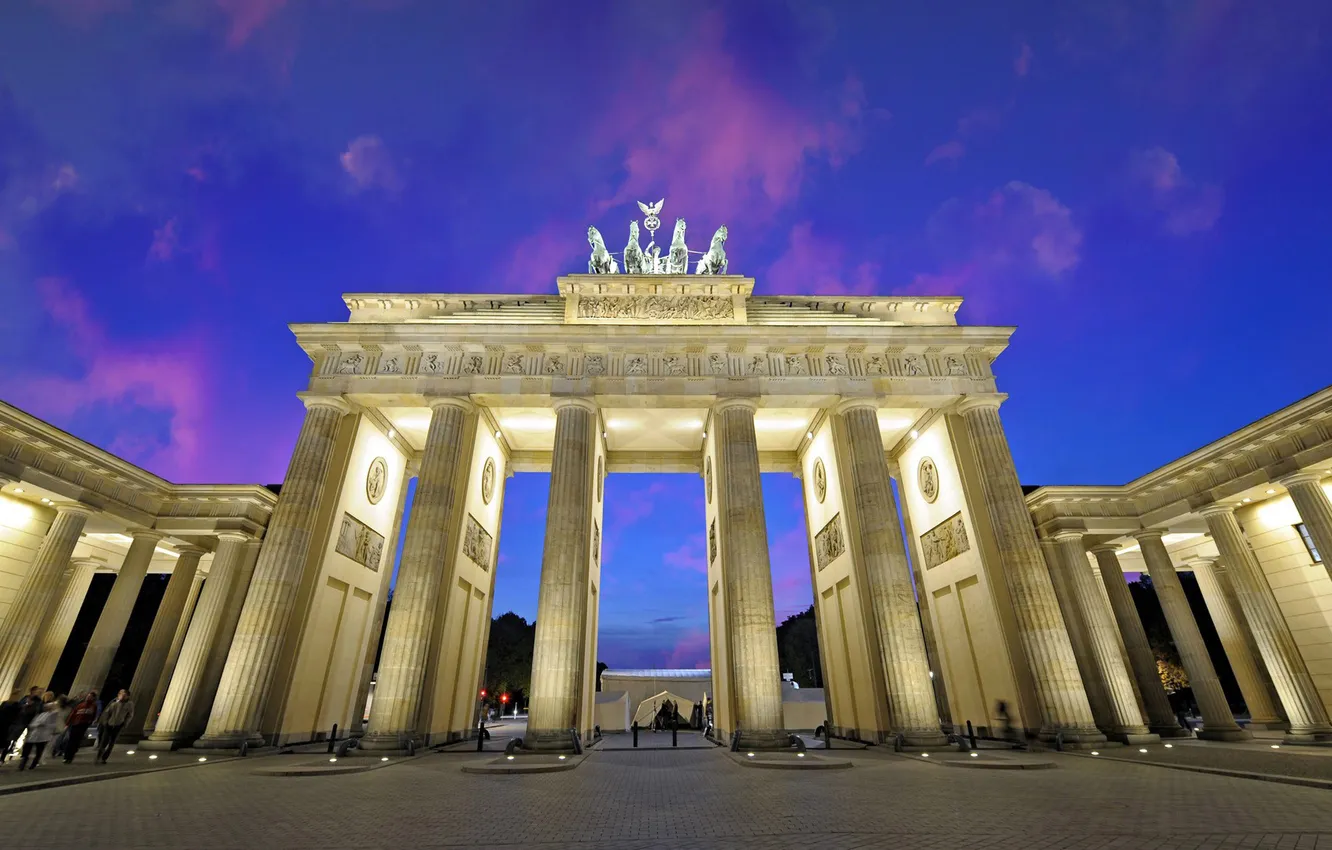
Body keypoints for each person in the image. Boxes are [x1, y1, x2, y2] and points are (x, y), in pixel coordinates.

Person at [95, 689, 134, 764]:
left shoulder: (130, 704)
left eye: (123, 694)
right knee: (104, 741)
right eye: (120, 693)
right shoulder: (114, 701)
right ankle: (98, 756)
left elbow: (130, 715)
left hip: (118, 724)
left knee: (112, 742)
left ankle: (104, 758)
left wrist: (125, 723)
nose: (121, 695)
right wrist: (105, 721)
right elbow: (107, 712)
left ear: (127, 696)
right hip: (109, 723)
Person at [18, 700, 60, 770]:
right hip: (34, 734)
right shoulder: (40, 715)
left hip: (43, 736)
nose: (46, 708)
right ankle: (23, 762)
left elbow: (53, 725)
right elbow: (32, 724)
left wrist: (45, 725)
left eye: (48, 707)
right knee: (27, 749)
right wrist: (36, 725)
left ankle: (34, 764)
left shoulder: (53, 715)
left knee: (39, 751)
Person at [63, 690, 98, 764]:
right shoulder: (80, 705)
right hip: (75, 724)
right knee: (71, 740)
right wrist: (68, 723)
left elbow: (93, 715)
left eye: (90, 697)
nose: (88, 697)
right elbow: (73, 713)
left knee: (76, 741)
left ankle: (70, 757)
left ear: (93, 698)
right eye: (88, 696)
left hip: (83, 725)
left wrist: (90, 722)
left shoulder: (93, 706)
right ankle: (66, 756)